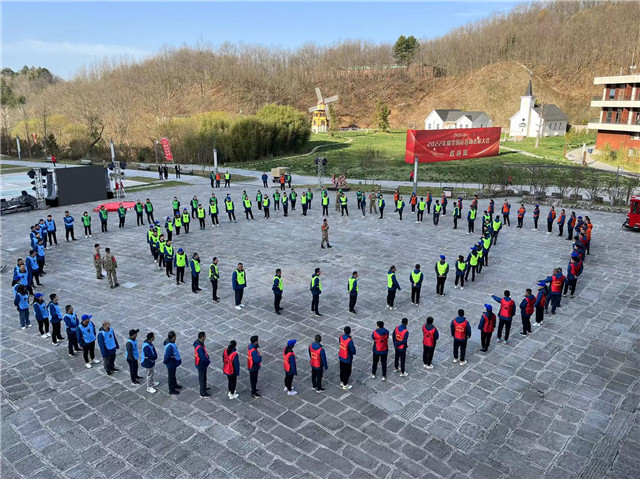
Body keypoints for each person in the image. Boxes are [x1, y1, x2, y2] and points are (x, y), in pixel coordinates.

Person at [194, 332, 211, 397]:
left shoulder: (198, 343)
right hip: (201, 364)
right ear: (202, 337)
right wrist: (208, 361)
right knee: (202, 377)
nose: (205, 337)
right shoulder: (200, 347)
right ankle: (203, 392)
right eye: (205, 336)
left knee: (203, 377)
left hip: (201, 364)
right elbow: (203, 357)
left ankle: (204, 388)